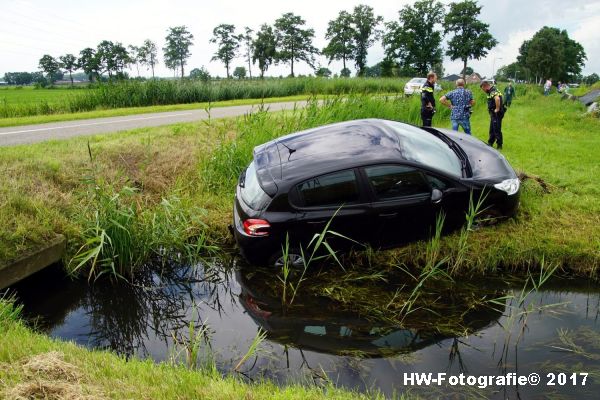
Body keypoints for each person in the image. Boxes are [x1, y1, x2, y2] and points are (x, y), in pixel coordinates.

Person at [480, 80, 505, 150]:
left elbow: (497, 99)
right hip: (493, 113)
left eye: (483, 89)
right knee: (492, 129)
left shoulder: (493, 90)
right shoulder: (491, 90)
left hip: (496, 113)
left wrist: (497, 109)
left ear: (485, 86)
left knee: (496, 129)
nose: (483, 91)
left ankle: (499, 145)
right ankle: (490, 143)